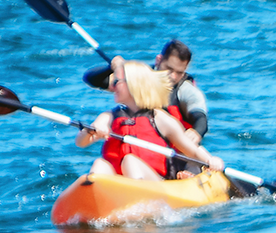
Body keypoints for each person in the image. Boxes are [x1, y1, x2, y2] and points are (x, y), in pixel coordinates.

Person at [77, 56, 223, 183]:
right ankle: (96, 201)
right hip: (119, 184)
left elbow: (192, 150)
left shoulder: (159, 119)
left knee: (130, 161)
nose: (113, 86)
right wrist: (91, 132)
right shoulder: (109, 117)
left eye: (117, 82)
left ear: (133, 85)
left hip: (154, 182)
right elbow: (80, 142)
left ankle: (136, 203)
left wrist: (210, 160)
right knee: (100, 164)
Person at [153, 39, 210, 175]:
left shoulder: (186, 90)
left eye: (179, 72)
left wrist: (196, 132)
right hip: (148, 151)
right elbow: (94, 79)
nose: (172, 76)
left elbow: (201, 119)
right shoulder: (139, 79)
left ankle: (188, 177)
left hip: (180, 156)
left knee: (192, 163)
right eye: (169, 69)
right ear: (158, 60)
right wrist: (114, 66)